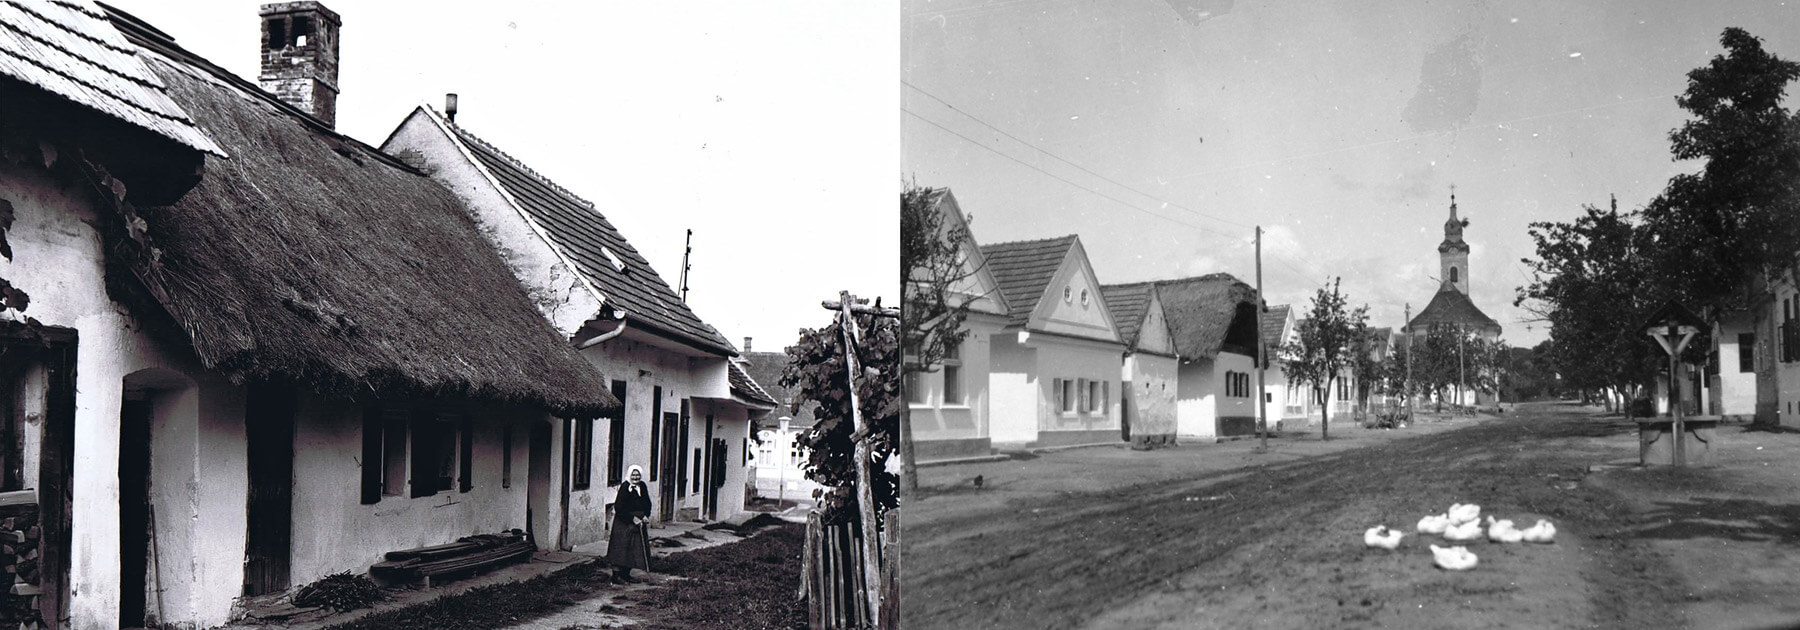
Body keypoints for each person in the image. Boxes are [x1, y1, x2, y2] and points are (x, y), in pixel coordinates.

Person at [608, 465, 652, 582]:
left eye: (637, 475)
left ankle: (626, 574)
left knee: (633, 549)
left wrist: (646, 515)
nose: (635, 477)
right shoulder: (625, 487)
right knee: (621, 549)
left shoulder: (642, 486)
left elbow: (647, 502)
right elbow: (619, 507)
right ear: (629, 475)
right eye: (633, 474)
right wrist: (632, 518)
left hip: (639, 522)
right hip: (623, 522)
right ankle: (616, 576)